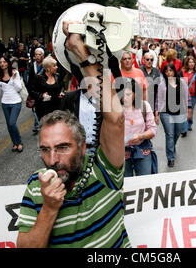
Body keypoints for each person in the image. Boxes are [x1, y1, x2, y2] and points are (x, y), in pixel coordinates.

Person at [17, 20, 129, 248]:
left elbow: (115, 117)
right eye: (45, 150)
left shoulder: (103, 172)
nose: (52, 159)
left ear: (83, 147)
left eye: (62, 147)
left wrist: (80, 50)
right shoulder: (36, 186)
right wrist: (48, 208)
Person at [155, 63, 191, 168]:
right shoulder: (162, 84)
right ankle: (170, 158)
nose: (168, 73)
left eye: (170, 70)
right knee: (170, 135)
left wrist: (189, 109)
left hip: (180, 112)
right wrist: (156, 111)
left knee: (177, 133)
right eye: (166, 71)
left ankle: (172, 145)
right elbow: (158, 98)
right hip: (166, 113)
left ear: (174, 71)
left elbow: (187, 96)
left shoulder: (182, 83)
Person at [121, 78, 157, 177]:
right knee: (126, 185)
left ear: (135, 93)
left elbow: (153, 130)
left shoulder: (144, 106)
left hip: (142, 150)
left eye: (128, 94)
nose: (125, 98)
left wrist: (140, 136)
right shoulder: (116, 110)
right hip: (122, 153)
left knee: (144, 182)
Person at [0, 55, 24, 152]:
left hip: (16, 102)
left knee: (12, 122)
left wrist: (14, 78)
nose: (2, 64)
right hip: (5, 103)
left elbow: (19, 88)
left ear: (8, 63)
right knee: (9, 125)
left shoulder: (15, 72)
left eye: (4, 62)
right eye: (0, 62)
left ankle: (19, 142)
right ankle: (14, 143)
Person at [29, 55, 65, 121]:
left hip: (57, 108)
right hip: (43, 110)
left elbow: (62, 87)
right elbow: (32, 91)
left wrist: (61, 92)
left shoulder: (57, 76)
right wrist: (42, 95)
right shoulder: (39, 78)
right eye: (54, 66)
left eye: (56, 65)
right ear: (48, 68)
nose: (56, 67)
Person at [180, 56, 196, 137]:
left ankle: (189, 123)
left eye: (193, 62)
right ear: (187, 63)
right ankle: (184, 129)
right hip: (183, 95)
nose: (191, 64)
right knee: (184, 111)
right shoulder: (182, 72)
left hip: (193, 95)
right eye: (190, 62)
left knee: (190, 110)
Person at [140, 51, 161, 119]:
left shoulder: (156, 71)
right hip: (140, 102)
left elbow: (158, 90)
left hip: (152, 103)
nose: (149, 61)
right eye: (147, 59)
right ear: (143, 60)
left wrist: (157, 109)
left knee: (150, 124)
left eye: (151, 60)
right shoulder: (139, 70)